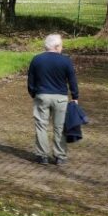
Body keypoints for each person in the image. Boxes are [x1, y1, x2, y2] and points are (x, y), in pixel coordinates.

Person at [27, 34, 79, 165]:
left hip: (42, 96)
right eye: (61, 45)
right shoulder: (66, 61)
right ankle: (60, 156)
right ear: (56, 46)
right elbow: (72, 80)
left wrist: (34, 93)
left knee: (41, 126)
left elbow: (31, 81)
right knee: (60, 127)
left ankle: (42, 155)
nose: (62, 48)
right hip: (61, 98)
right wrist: (75, 96)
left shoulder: (37, 60)